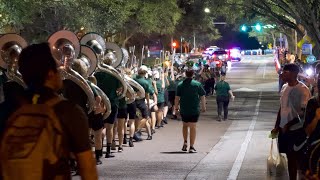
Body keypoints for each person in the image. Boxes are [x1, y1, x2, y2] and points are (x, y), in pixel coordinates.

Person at [0, 43, 97, 180]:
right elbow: (87, 167)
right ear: (51, 74)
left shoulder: (6, 110)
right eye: (58, 69)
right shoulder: (68, 111)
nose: (61, 73)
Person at [271, 63, 311, 180]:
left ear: (294, 74)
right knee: (289, 157)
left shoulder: (303, 90)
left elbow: (304, 112)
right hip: (284, 130)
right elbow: (282, 107)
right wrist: (277, 126)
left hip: (297, 130)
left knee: (298, 159)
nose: (282, 74)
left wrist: (288, 125)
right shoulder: (284, 87)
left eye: (285, 72)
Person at [95, 57, 122, 158]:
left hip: (100, 103)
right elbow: (120, 88)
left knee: (100, 127)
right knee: (109, 127)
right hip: (113, 102)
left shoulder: (97, 74)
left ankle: (99, 149)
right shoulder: (114, 75)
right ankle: (108, 151)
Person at [175, 69, 206, 153]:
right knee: (193, 127)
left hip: (184, 109)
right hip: (194, 108)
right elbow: (202, 96)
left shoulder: (180, 85)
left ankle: (185, 142)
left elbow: (177, 97)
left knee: (185, 125)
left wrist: (176, 108)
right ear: (193, 75)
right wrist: (203, 106)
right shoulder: (197, 84)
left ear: (185, 74)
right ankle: (191, 146)